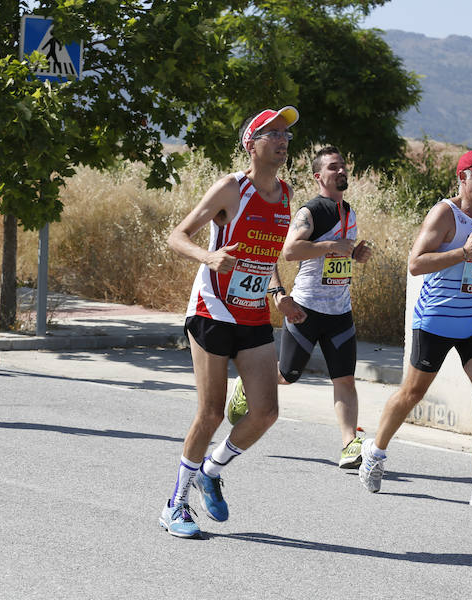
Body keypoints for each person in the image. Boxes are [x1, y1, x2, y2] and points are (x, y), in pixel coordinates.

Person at [160, 107, 308, 538]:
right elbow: (177, 235)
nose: (282, 141)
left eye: (286, 135)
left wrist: (278, 294)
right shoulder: (231, 188)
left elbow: (267, 257)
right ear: (251, 143)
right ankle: (175, 505)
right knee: (209, 413)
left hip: (253, 312)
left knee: (266, 410)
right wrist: (209, 256)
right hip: (212, 308)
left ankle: (211, 469)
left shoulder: (285, 195)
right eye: (272, 133)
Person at [357, 149, 472, 508]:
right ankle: (375, 450)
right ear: (463, 178)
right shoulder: (445, 213)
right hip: (436, 319)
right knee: (411, 394)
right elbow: (416, 263)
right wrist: (463, 252)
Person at [226, 146, 374, 469]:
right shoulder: (311, 212)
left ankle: (350, 444)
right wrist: (332, 245)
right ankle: (244, 385)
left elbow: (335, 256)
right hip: (306, 309)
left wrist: (355, 254)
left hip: (340, 311)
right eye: (334, 167)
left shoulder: (349, 212)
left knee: (345, 379)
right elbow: (290, 251)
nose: (341, 171)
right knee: (286, 375)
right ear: (319, 176)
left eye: (343, 165)